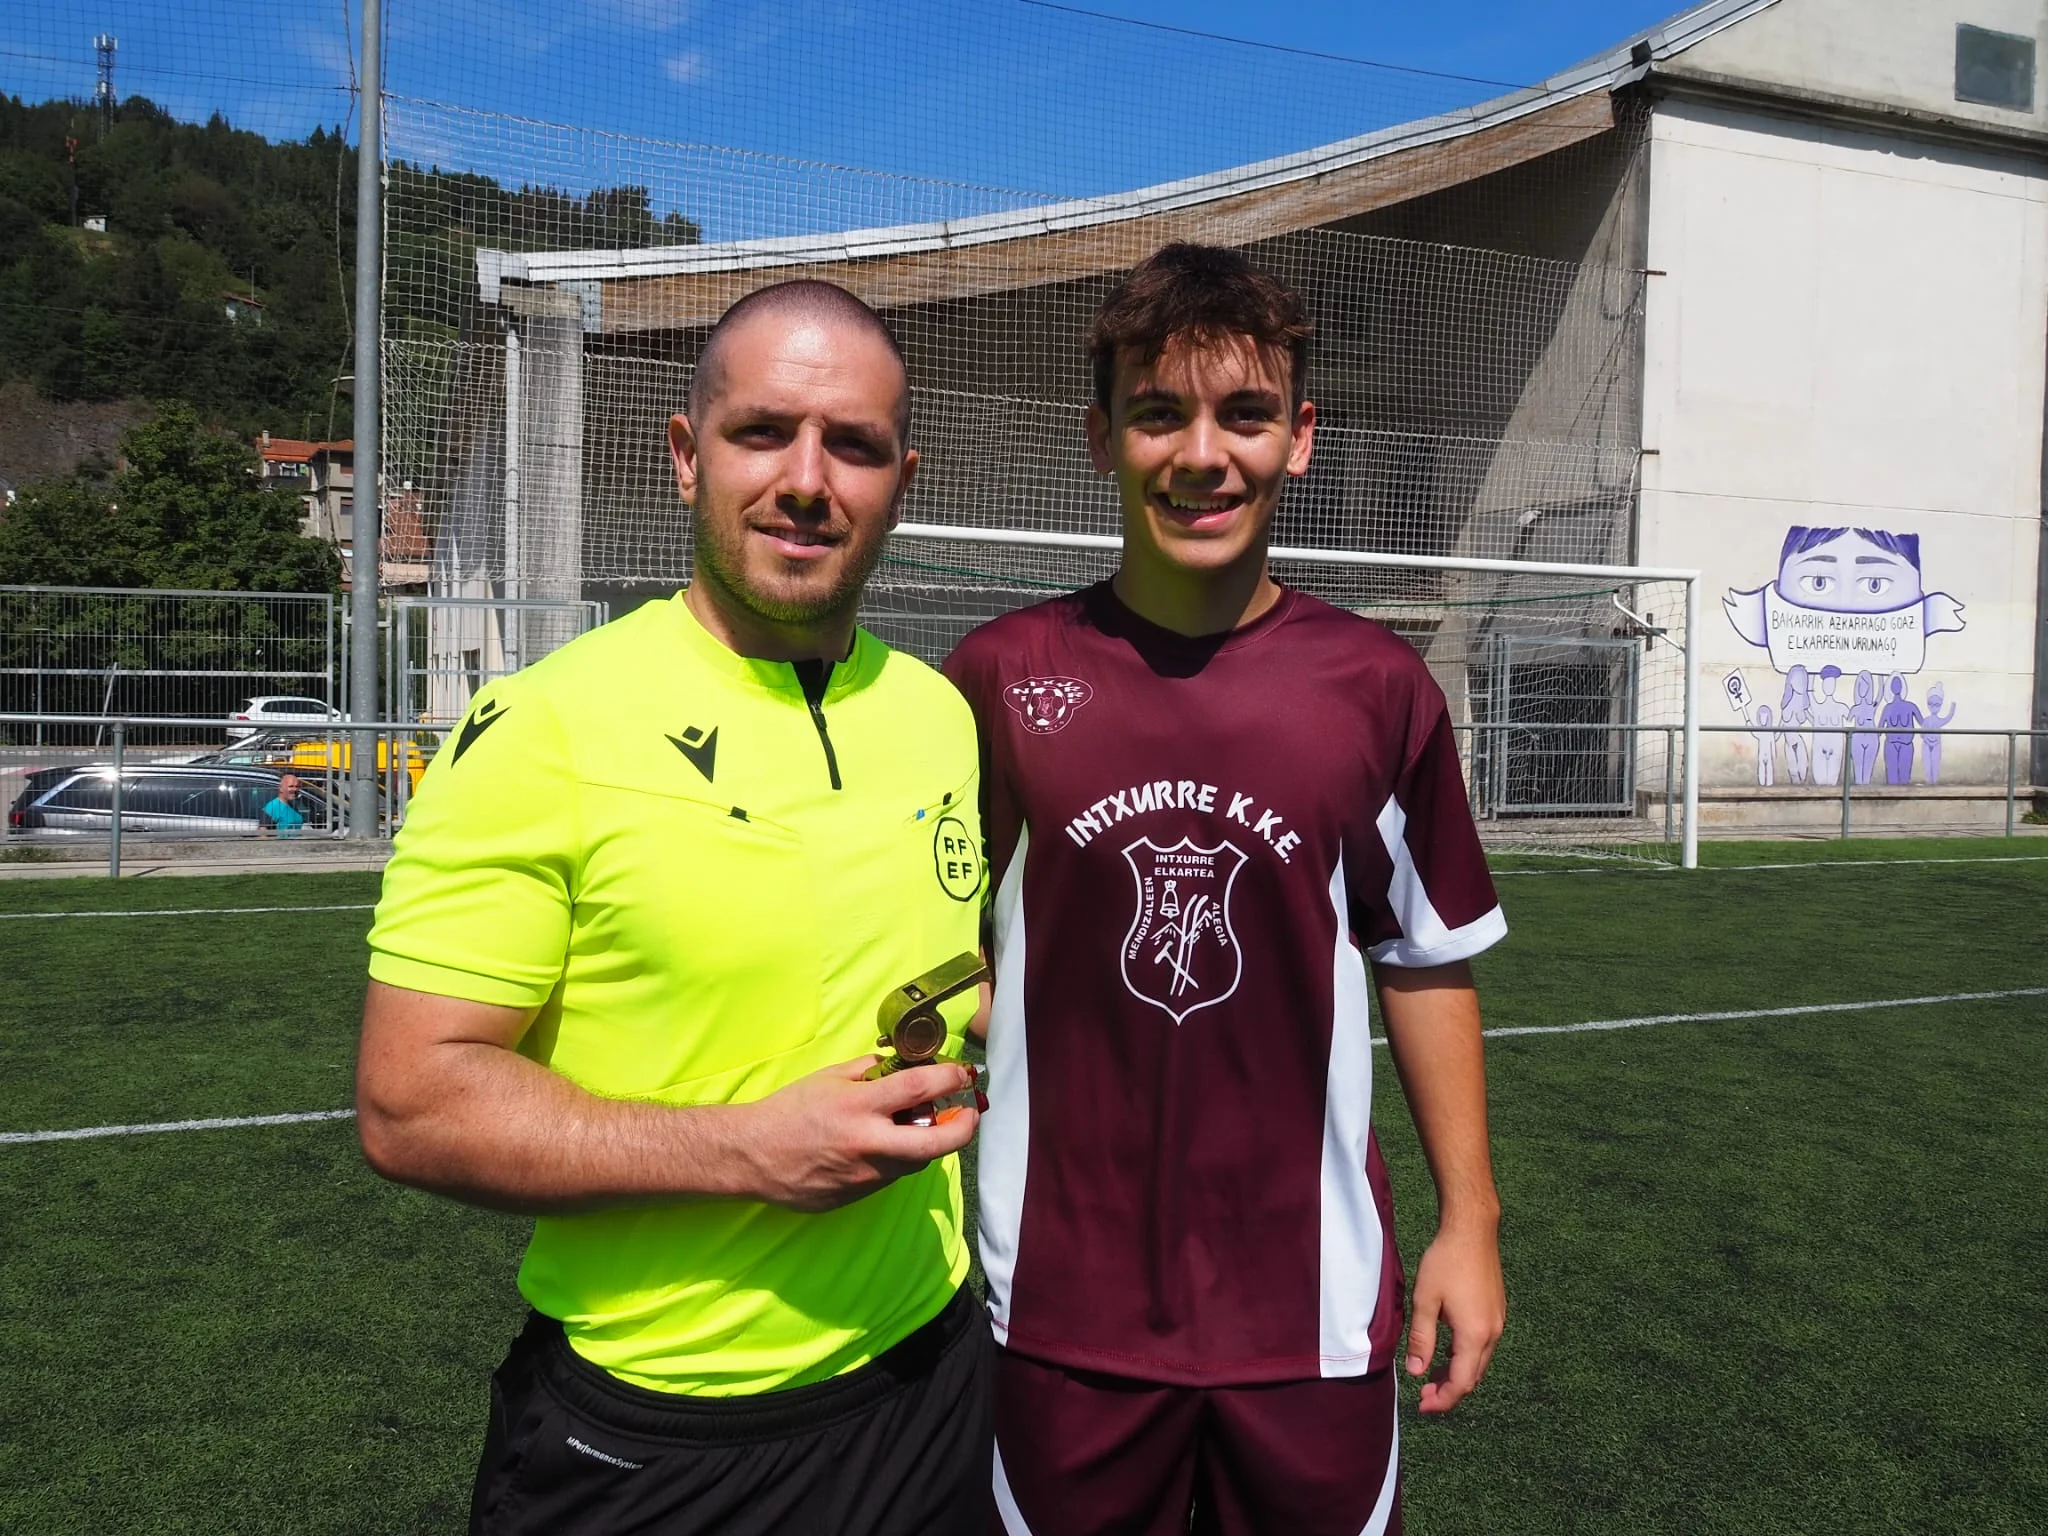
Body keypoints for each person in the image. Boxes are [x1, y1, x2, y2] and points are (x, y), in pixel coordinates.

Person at [357, 281, 994, 1536]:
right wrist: (742, 1151)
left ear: (899, 481)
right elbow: (409, 1102)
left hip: (933, 1378)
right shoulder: (545, 725)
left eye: (853, 444)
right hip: (662, 1436)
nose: (806, 481)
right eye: (762, 433)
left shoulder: (939, 715)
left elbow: (944, 963)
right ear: (685, 455)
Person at [943, 244, 1507, 1536]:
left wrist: (1469, 1223)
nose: (1203, 455)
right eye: (1159, 414)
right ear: (1100, 436)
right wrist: (1001, 1024)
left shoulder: (1377, 689)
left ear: (1298, 438)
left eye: (1244, 415)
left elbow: (1424, 959)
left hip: (1309, 1313)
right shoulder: (999, 675)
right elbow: (935, 935)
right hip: (1059, 1311)